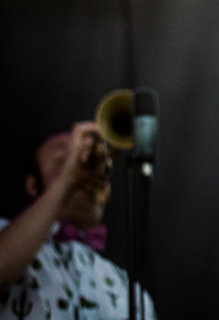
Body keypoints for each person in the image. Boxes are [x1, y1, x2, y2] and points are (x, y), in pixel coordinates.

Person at [0, 123, 157, 320]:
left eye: (91, 162)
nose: (83, 169)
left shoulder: (129, 287)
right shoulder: (4, 234)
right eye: (62, 161)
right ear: (33, 185)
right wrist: (67, 181)